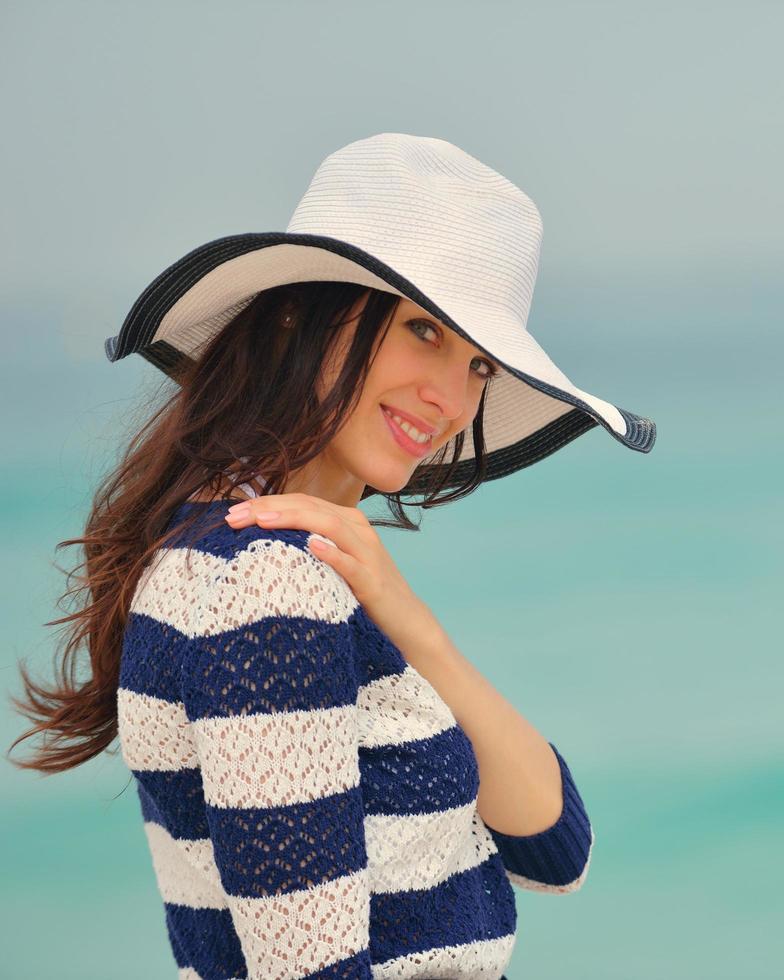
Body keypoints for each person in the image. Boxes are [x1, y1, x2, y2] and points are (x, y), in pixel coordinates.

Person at [8, 133, 657, 979]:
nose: (452, 400)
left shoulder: (284, 561)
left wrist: (411, 623)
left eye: (479, 367)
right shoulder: (265, 582)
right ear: (294, 312)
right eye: (422, 330)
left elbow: (554, 848)